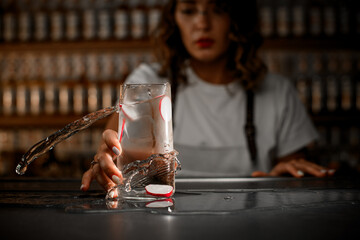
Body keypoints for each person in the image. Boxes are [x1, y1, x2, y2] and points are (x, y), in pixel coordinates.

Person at [80, 0, 334, 193]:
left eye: (218, 8)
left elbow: (296, 177)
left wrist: (287, 177)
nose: (202, 23)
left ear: (237, 19)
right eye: (189, 10)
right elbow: (111, 158)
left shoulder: (277, 92)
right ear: (174, 20)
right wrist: (107, 164)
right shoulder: (147, 84)